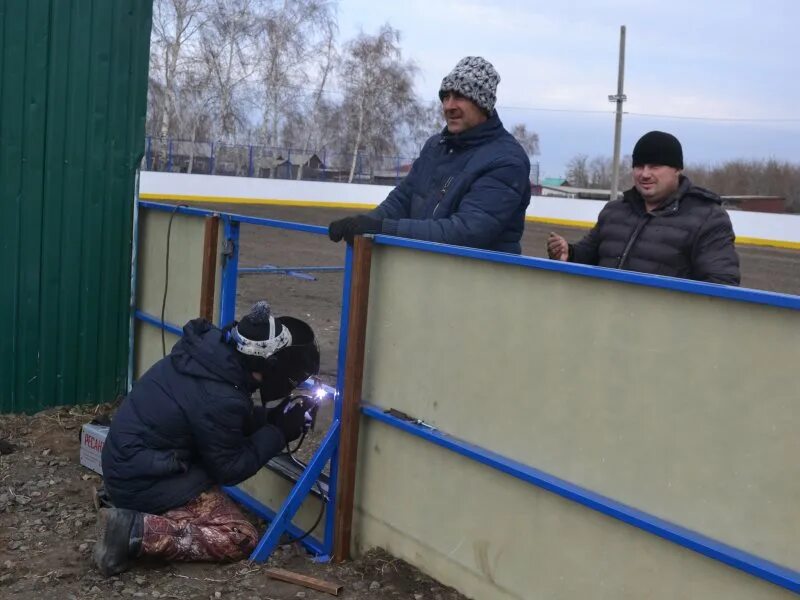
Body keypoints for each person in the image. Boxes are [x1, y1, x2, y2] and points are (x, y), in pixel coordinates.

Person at [94, 301, 320, 576]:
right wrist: (279, 432)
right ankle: (134, 531)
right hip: (143, 480)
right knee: (239, 536)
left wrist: (271, 419)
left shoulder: (210, 358)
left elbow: (214, 421)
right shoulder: (221, 396)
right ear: (267, 363)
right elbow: (230, 467)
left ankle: (131, 506)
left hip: (131, 464)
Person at [328, 56, 532, 254]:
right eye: (445, 97)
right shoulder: (436, 146)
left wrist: (382, 228)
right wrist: (364, 222)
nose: (448, 106)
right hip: (428, 272)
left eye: (459, 96)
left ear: (483, 104)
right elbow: (403, 198)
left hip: (480, 281)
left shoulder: (507, 161)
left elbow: (465, 232)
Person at [547, 131, 740, 285]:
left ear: (677, 169)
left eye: (655, 166)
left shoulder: (708, 218)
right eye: (639, 166)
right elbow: (589, 255)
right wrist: (568, 254)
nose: (644, 174)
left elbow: (722, 285)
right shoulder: (614, 211)